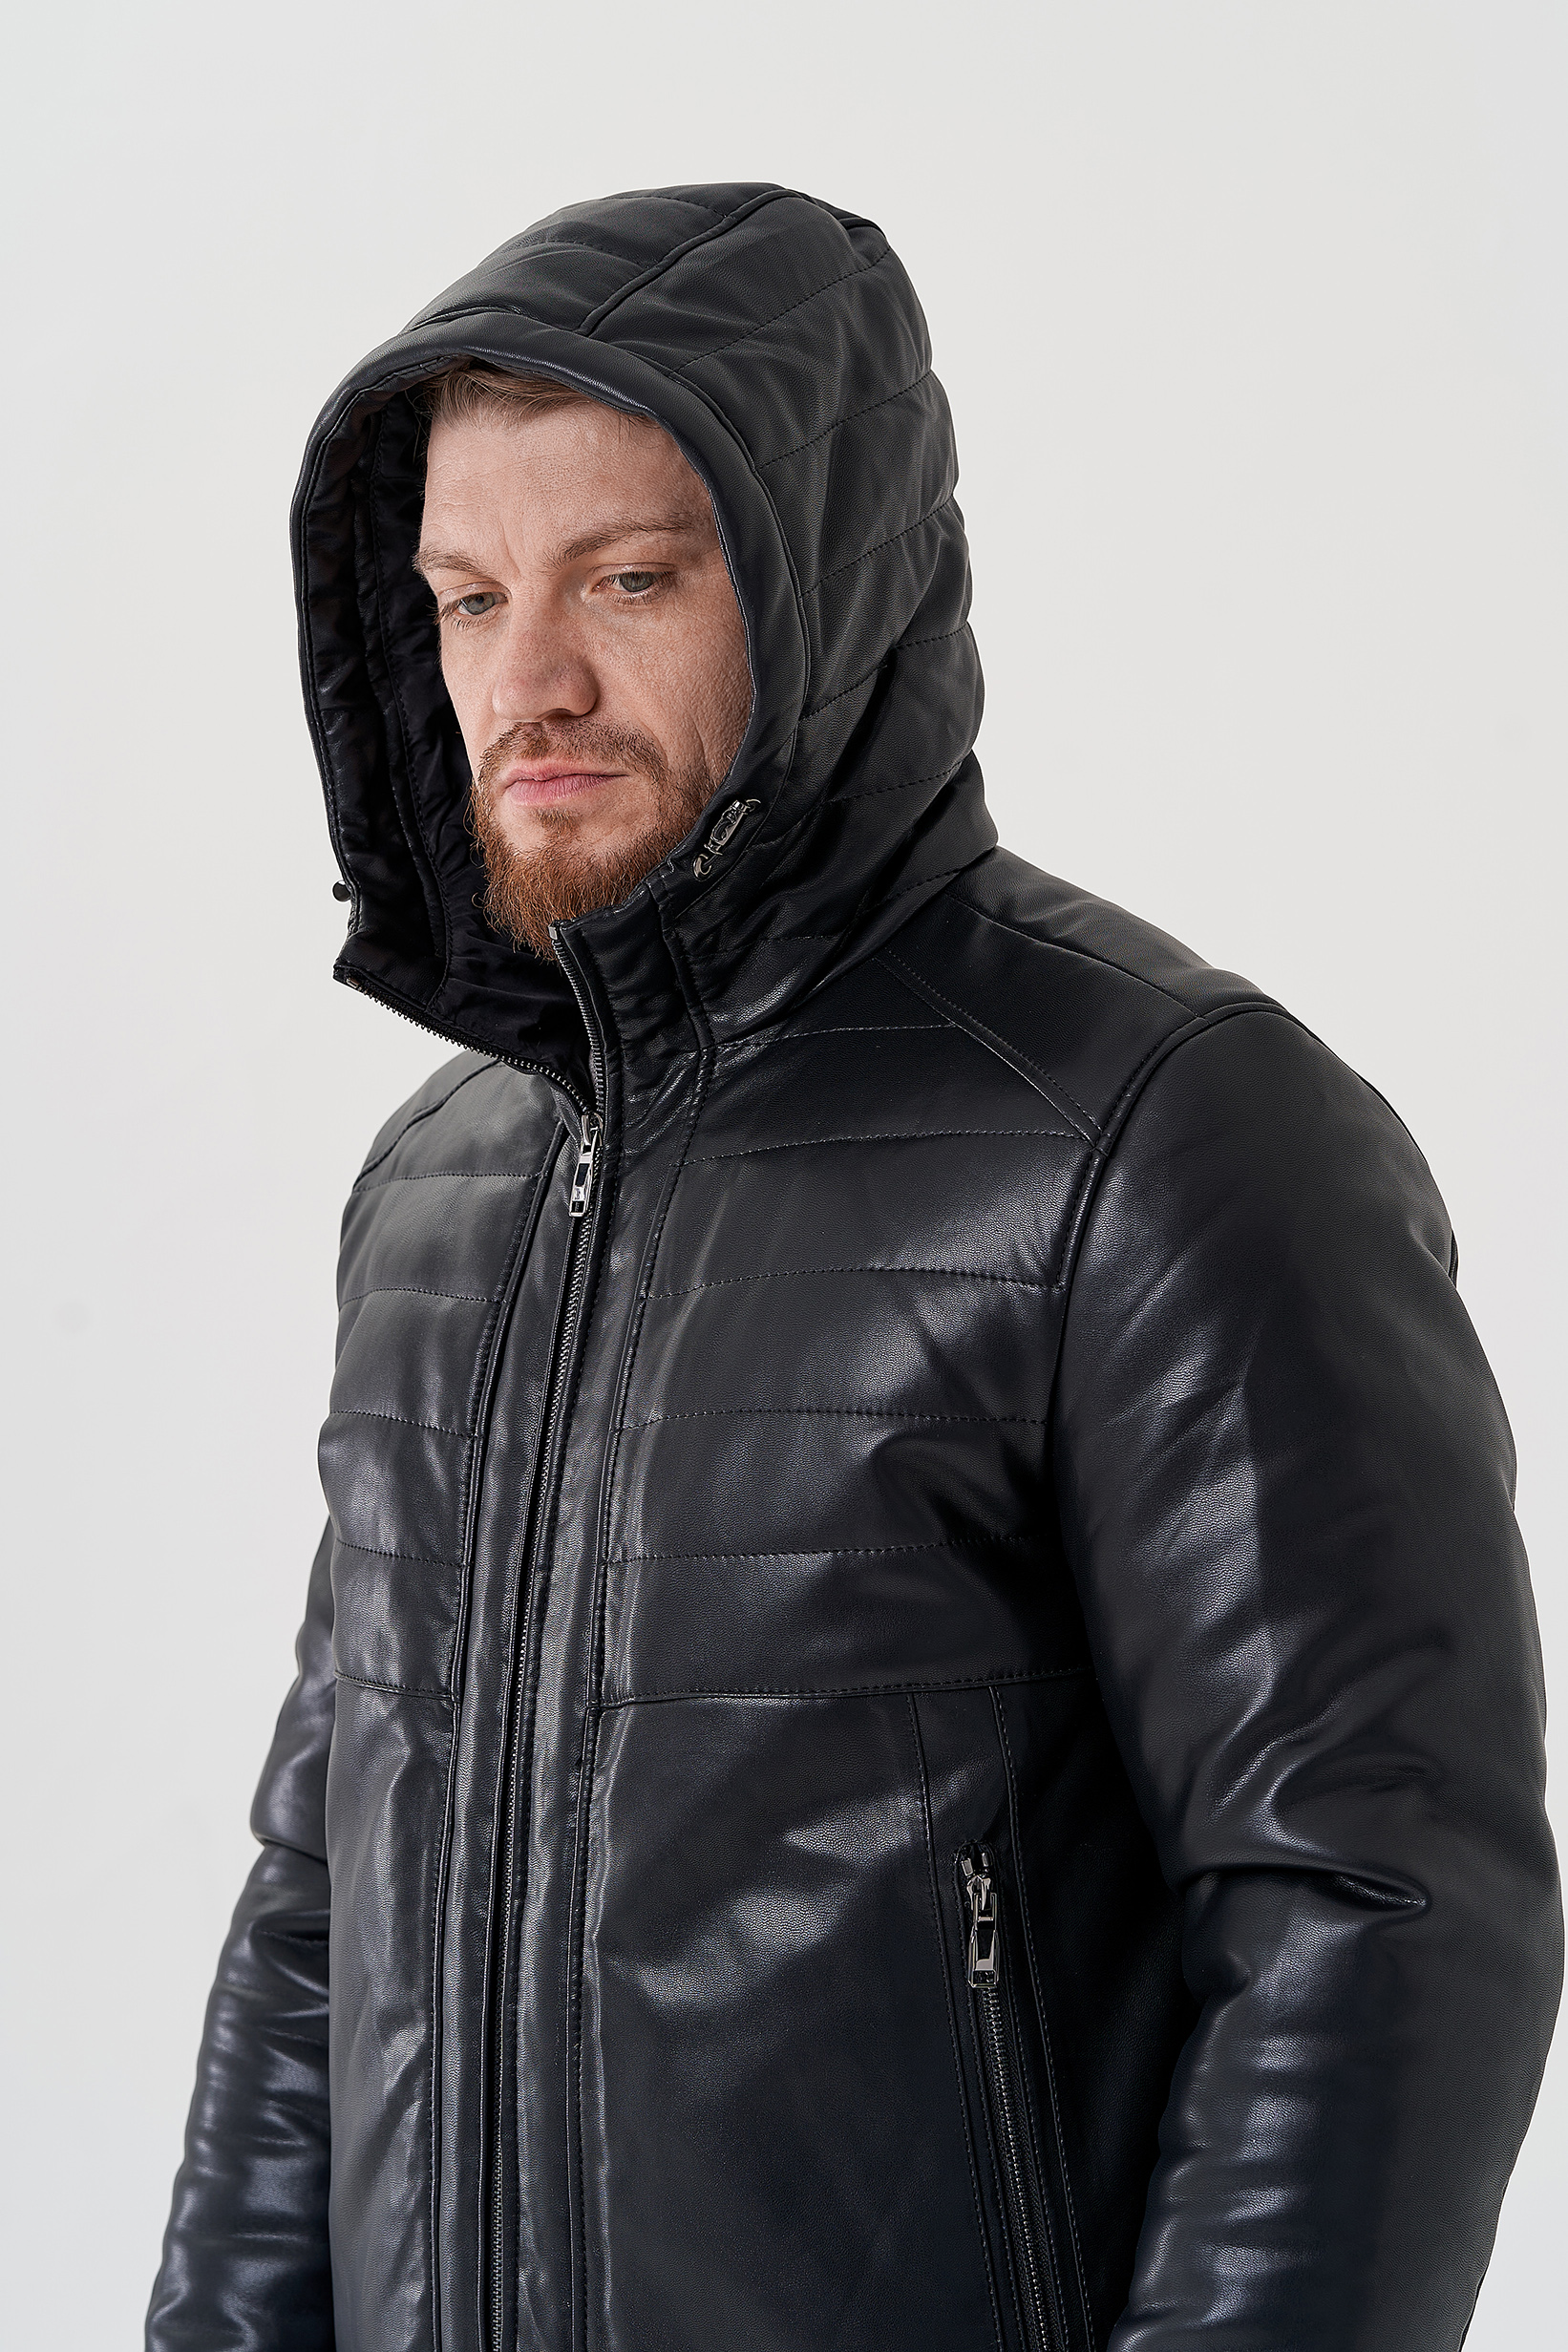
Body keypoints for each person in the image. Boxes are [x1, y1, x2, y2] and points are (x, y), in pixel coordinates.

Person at [148, 183, 1560, 2352]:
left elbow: (1372, 1907)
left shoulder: (1156, 1130)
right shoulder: (440, 1188)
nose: (526, 681)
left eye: (628, 577)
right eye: (465, 597)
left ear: (823, 579)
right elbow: (320, 1900)